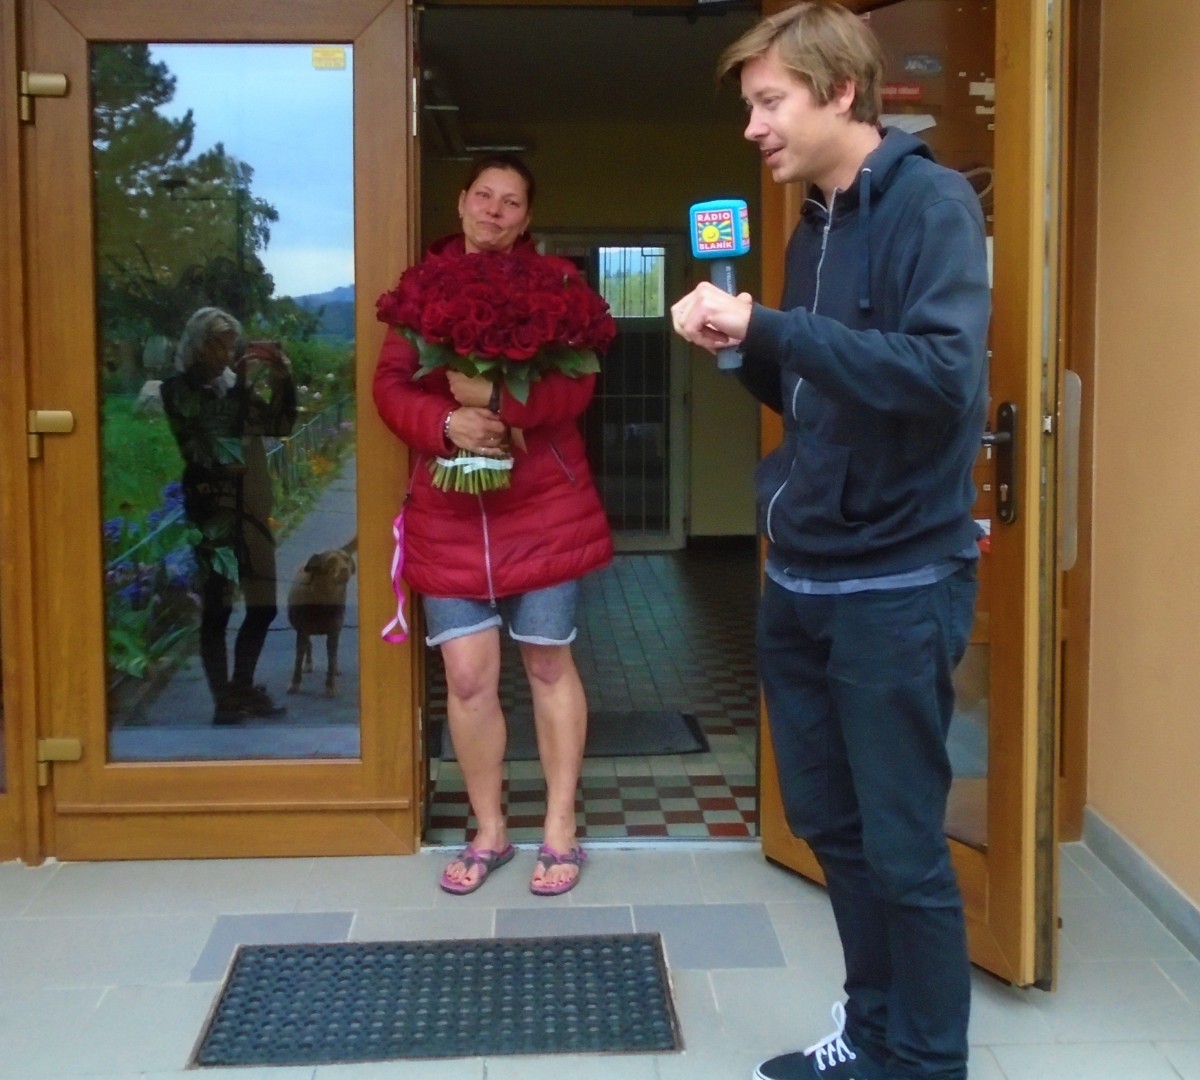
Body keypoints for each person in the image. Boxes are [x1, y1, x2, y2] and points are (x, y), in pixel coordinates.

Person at [670, 5, 990, 1080]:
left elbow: (939, 375)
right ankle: (874, 1034)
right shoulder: (813, 222)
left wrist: (770, 327)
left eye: (771, 101)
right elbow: (817, 388)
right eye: (751, 105)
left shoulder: (933, 205)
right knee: (834, 828)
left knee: (902, 845)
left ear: (841, 91)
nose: (753, 126)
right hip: (802, 579)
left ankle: (928, 1063)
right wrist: (739, 346)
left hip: (897, 583)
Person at [373, 155, 613, 897]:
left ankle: (560, 828)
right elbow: (389, 386)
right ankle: (489, 831)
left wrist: (501, 406)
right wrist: (447, 423)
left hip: (543, 512)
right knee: (469, 677)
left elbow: (577, 386)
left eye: (512, 202)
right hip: (449, 518)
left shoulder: (558, 285)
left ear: (527, 218)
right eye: (485, 196)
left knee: (547, 665)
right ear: (462, 202)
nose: (495, 211)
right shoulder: (421, 289)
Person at [161, 307, 297, 726]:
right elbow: (213, 438)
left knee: (263, 606)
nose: (226, 353)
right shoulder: (178, 390)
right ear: (198, 346)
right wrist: (239, 385)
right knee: (218, 609)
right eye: (219, 345)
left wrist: (283, 380)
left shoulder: (231, 387)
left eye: (230, 345)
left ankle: (241, 687)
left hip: (253, 509)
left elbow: (279, 424)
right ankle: (224, 700)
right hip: (214, 513)